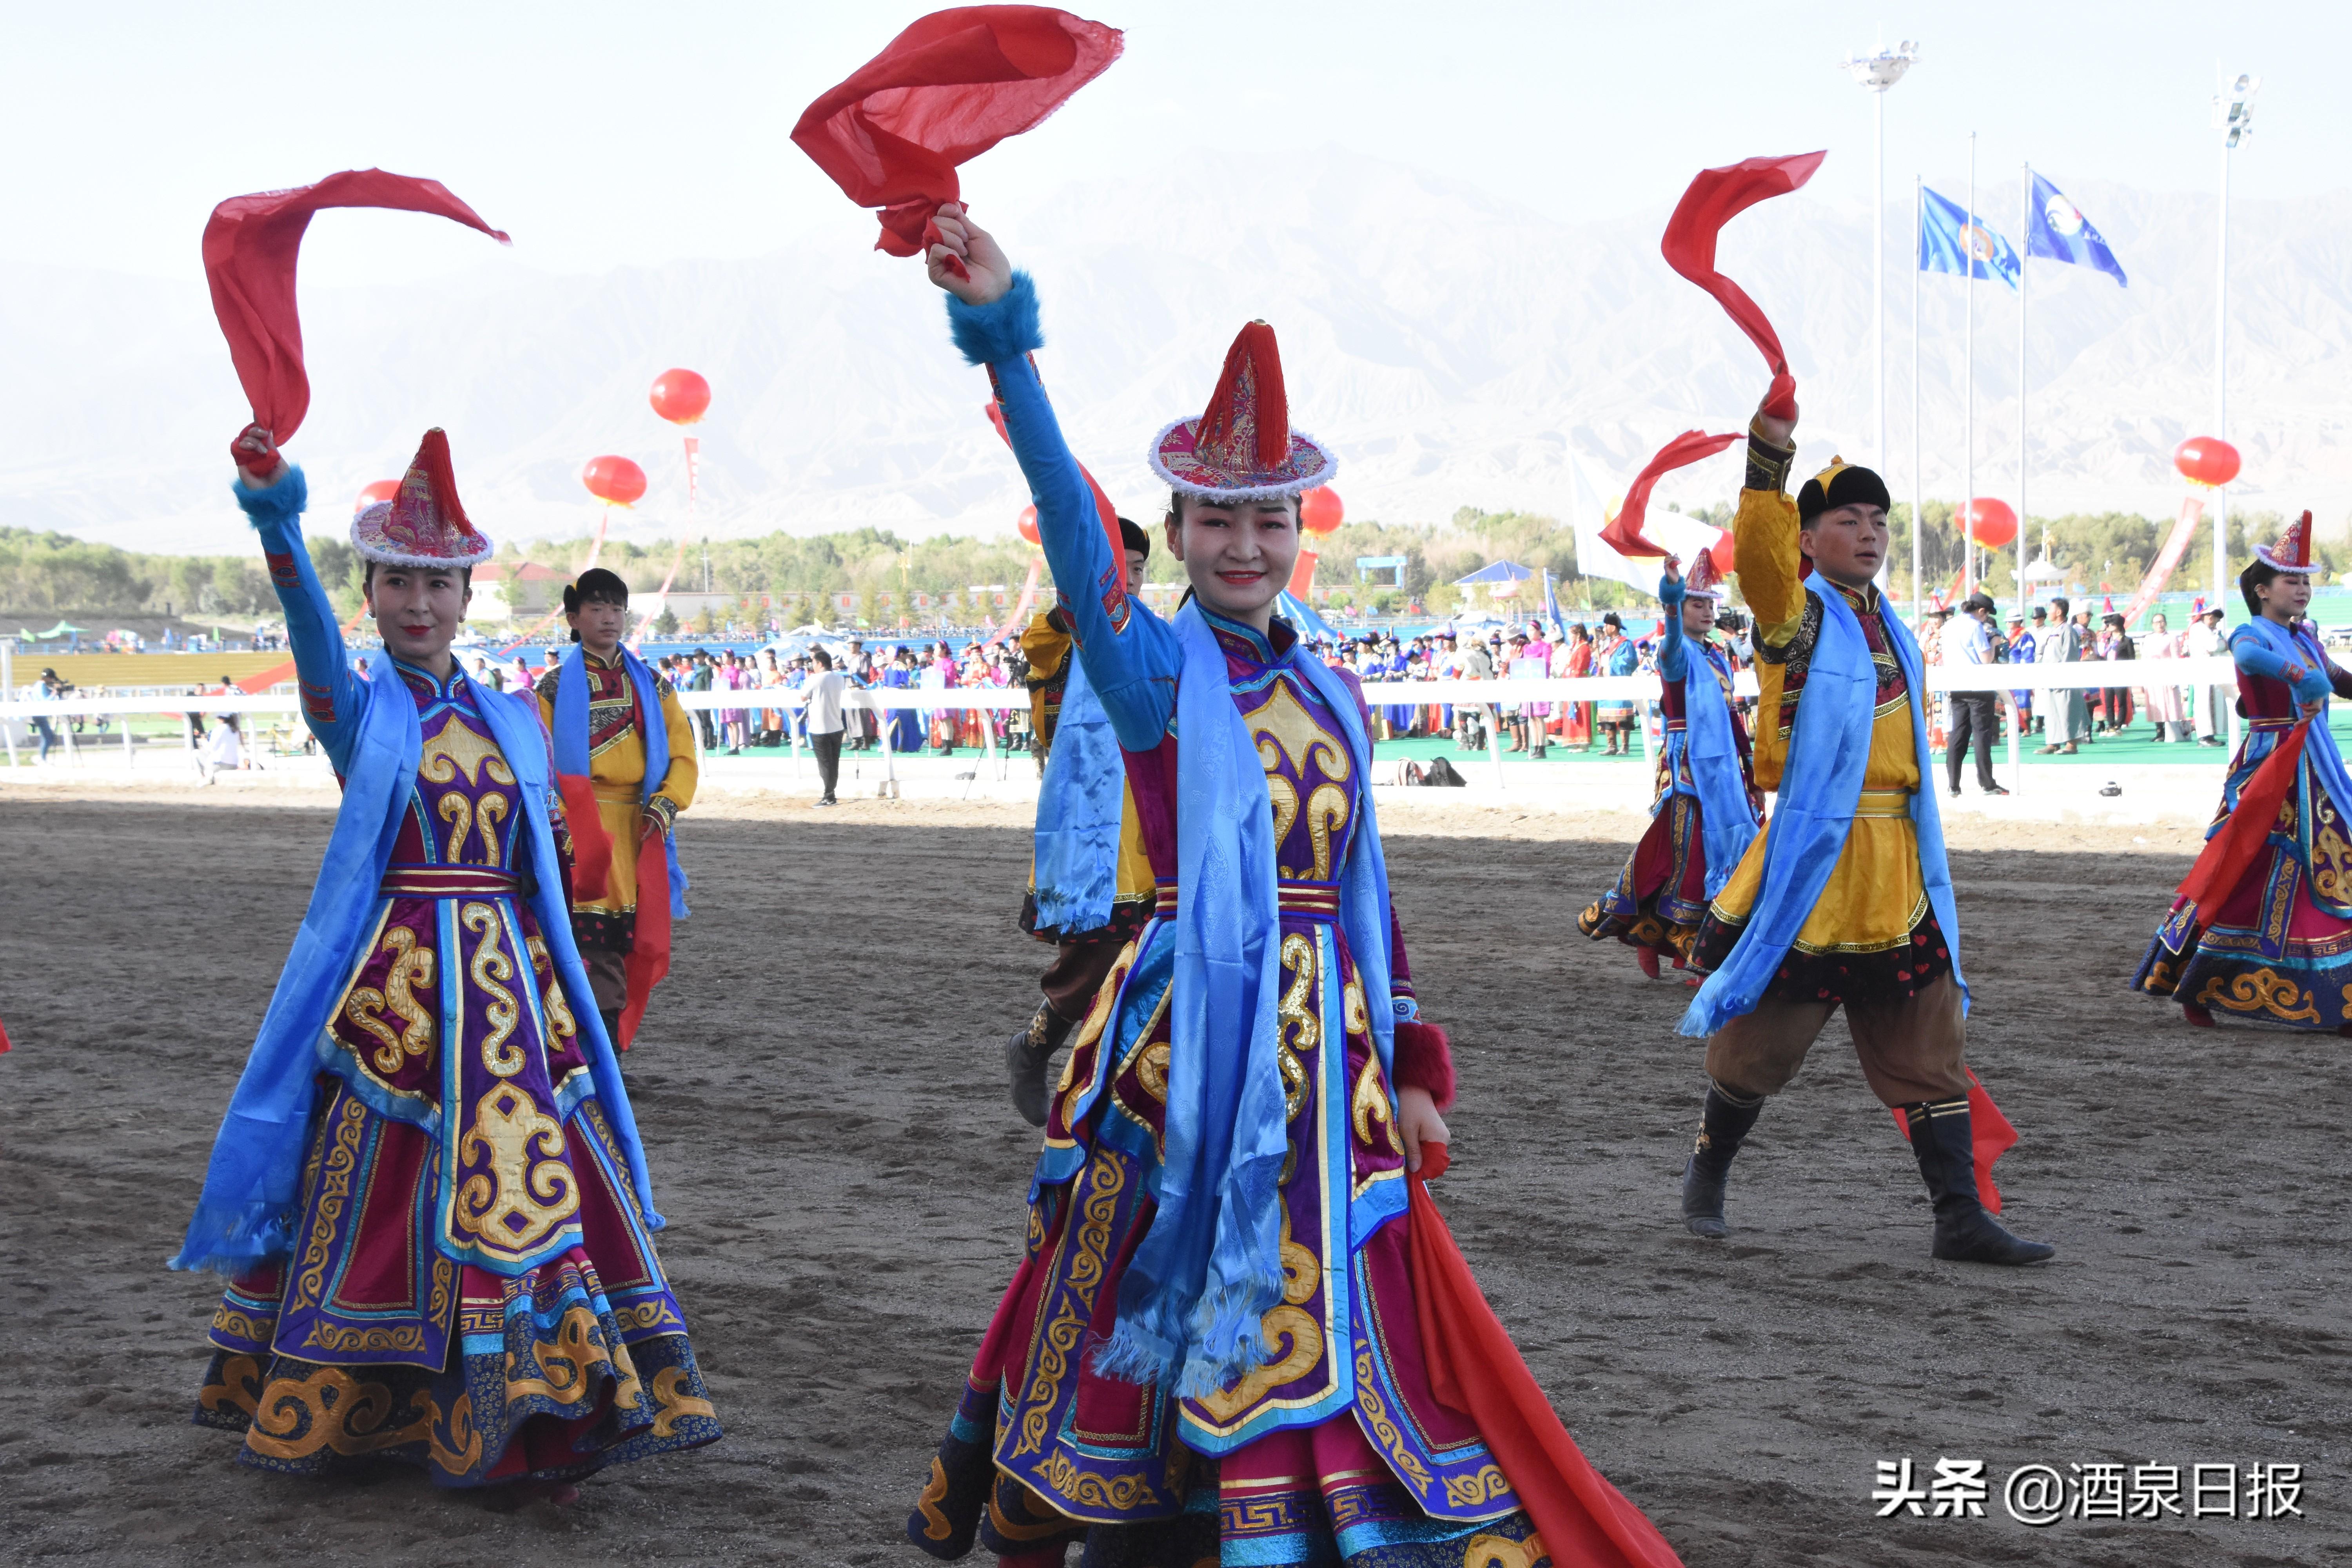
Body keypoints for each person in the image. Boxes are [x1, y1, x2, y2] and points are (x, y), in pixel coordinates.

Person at [904, 204, 1680, 1566]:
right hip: (1192, 1044)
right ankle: (1146, 1498)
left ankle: (1291, 1505)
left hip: (1330, 1054)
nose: (1244, 545)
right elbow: (1069, 523)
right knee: (1153, 1257)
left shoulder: (1331, 687)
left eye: (1268, 519)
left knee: (1340, 1279)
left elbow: (1367, 888)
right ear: (1181, 532)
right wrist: (1003, 334)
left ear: (1298, 531)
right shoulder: (1153, 672)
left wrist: (1415, 1055)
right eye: (1215, 521)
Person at [176, 423, 719, 1495]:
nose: (418, 604)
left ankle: (542, 1392)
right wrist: (275, 511)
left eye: (438, 584)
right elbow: (303, 627)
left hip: (512, 995)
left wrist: (562, 974)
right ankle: (383, 1398)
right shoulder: (361, 710)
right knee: (382, 1186)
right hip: (404, 994)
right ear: (368, 594)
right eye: (396, 584)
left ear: (469, 598)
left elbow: (536, 871)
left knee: (535, 1177)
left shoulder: (515, 719)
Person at [1675, 401, 2053, 1267]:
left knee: (1929, 1040)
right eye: (1849, 519)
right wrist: (1769, 458)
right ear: (1807, 539)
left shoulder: (1888, 622)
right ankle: (1709, 1168)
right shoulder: (1797, 618)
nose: (1871, 533)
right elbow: (1761, 563)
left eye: (1880, 520)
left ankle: (1958, 1216)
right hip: (1816, 861)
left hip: (1898, 862)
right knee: (1760, 1047)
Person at [2136, 514, 2352, 1031]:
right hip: (2272, 768)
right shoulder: (2250, 633)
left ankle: (2335, 996)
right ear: (2261, 589)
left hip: (2316, 765)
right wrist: (2298, 676)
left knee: (2321, 869)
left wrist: (2321, 675)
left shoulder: (2305, 637)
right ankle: (2197, 982)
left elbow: (2340, 679)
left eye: (2306, 580)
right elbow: (2253, 658)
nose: (2302, 588)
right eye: (2291, 580)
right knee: (2246, 869)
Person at [1007, 518, 1159, 1125]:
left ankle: (1117, 1088)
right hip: (1090, 826)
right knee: (1093, 957)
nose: (1133, 581)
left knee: (1152, 961)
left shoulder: (1158, 637)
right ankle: (1036, 1046)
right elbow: (1041, 668)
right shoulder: (1064, 638)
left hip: (1155, 821)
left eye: (1140, 570)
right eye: (1121, 569)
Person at [1580, 549, 1763, 980]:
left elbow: (1732, 715)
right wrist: (1671, 593)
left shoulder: (1719, 656)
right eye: (1695, 604)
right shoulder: (1674, 654)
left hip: (1723, 772)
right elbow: (1674, 632)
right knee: (1689, 856)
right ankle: (1686, 949)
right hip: (1687, 769)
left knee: (1713, 855)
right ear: (1679, 611)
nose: (1706, 611)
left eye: (1709, 604)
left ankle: (1654, 935)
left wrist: (1752, 770)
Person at [535, 568, 698, 1052]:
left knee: (632, 945)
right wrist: (561, 820)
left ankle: (606, 1047)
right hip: (577, 832)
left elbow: (684, 755)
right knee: (589, 947)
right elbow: (540, 763)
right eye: (596, 608)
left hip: (637, 829)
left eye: (616, 608)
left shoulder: (655, 685)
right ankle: (598, 1052)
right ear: (573, 617)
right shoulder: (553, 688)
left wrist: (666, 804)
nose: (608, 618)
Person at [1944, 593, 2009, 797]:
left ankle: (1953, 784)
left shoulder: (1949, 626)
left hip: (1956, 685)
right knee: (1982, 735)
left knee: (1958, 735)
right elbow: (1985, 659)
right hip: (1978, 687)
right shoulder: (1975, 627)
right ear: (1982, 611)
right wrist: (1994, 643)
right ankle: (1987, 783)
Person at [2035, 596, 2086, 754]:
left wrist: (2064, 677)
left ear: (2059, 612)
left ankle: (2072, 745)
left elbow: (2069, 656)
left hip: (2063, 680)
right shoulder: (2053, 631)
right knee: (2052, 712)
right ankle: (2053, 742)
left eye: (2051, 609)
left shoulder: (2068, 631)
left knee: (2068, 711)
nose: (2048, 612)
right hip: (2051, 678)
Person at [802, 647, 852, 806]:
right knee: (834, 762)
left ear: (820, 664)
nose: (812, 667)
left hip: (819, 726)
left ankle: (829, 795)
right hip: (836, 724)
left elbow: (803, 696)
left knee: (824, 763)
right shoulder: (839, 678)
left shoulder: (814, 679)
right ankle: (831, 793)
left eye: (814, 663)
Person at [2141, 610, 2189, 742]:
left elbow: (2175, 659)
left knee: (2169, 704)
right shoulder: (2148, 639)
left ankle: (2172, 731)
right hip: (2153, 676)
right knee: (2156, 704)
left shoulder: (2171, 638)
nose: (2160, 625)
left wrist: (2175, 678)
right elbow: (2145, 659)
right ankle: (2159, 731)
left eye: (2162, 622)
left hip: (2167, 675)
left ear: (2166, 623)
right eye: (2157, 622)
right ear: (2152, 625)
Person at [1595, 612, 1637, 754]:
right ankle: (1611, 746)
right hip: (1607, 686)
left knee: (1623, 717)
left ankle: (1625, 747)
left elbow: (1628, 662)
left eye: (1607, 625)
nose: (1605, 628)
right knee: (1608, 718)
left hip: (1620, 684)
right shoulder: (1607, 645)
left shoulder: (1625, 644)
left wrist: (1611, 668)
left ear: (1613, 627)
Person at [2192, 605, 2230, 745]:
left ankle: (2211, 735)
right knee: (2206, 704)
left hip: (2213, 672)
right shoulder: (2199, 629)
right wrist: (2223, 644)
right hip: (2205, 672)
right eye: (2213, 617)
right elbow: (2214, 646)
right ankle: (2204, 736)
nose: (2215, 621)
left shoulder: (2211, 631)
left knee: (2213, 704)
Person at [2005, 609, 2037, 735]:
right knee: (2010, 699)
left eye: (2011, 621)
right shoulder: (2007, 635)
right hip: (2009, 670)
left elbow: (2028, 653)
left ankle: (2027, 727)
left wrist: (2025, 668)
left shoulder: (2025, 635)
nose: (2009, 624)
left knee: (2024, 699)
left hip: (2021, 669)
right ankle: (2011, 727)